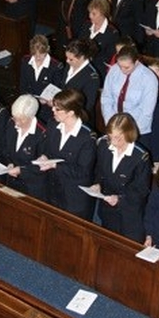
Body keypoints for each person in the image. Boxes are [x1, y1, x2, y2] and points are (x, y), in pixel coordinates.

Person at [37, 89, 97, 220]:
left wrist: (55, 165)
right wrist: (44, 156)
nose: (52, 110)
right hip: (53, 187)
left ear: (71, 112)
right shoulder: (53, 124)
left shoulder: (87, 137)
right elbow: (47, 149)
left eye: (57, 109)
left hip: (74, 194)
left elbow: (83, 171)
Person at [91, 113, 151, 241]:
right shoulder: (104, 146)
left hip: (129, 212)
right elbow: (99, 171)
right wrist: (97, 184)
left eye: (117, 138)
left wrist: (119, 199)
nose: (112, 141)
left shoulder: (140, 156)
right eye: (110, 136)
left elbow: (141, 190)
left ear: (128, 134)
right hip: (107, 208)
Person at [100, 43, 159, 140]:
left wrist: (128, 133)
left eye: (127, 67)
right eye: (120, 66)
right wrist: (110, 123)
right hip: (114, 127)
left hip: (137, 130)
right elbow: (106, 98)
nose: (123, 70)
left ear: (136, 62)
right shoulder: (114, 70)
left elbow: (146, 112)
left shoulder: (149, 78)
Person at [2, 94, 46, 199]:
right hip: (12, 181)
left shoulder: (43, 133)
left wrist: (21, 170)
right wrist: (9, 163)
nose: (17, 123)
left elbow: (43, 165)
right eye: (15, 118)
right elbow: (5, 147)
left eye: (21, 119)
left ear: (32, 116)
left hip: (32, 187)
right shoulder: (11, 124)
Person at [59, 39, 100, 126]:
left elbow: (88, 105)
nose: (67, 61)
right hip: (64, 113)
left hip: (79, 119)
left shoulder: (92, 77)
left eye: (71, 59)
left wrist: (68, 113)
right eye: (66, 58)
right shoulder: (69, 65)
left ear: (81, 57)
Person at [78, 0, 117, 80]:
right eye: (89, 13)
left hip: (97, 72)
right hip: (81, 65)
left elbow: (109, 58)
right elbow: (79, 43)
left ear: (103, 14)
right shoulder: (86, 25)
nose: (90, 16)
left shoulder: (112, 33)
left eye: (94, 14)